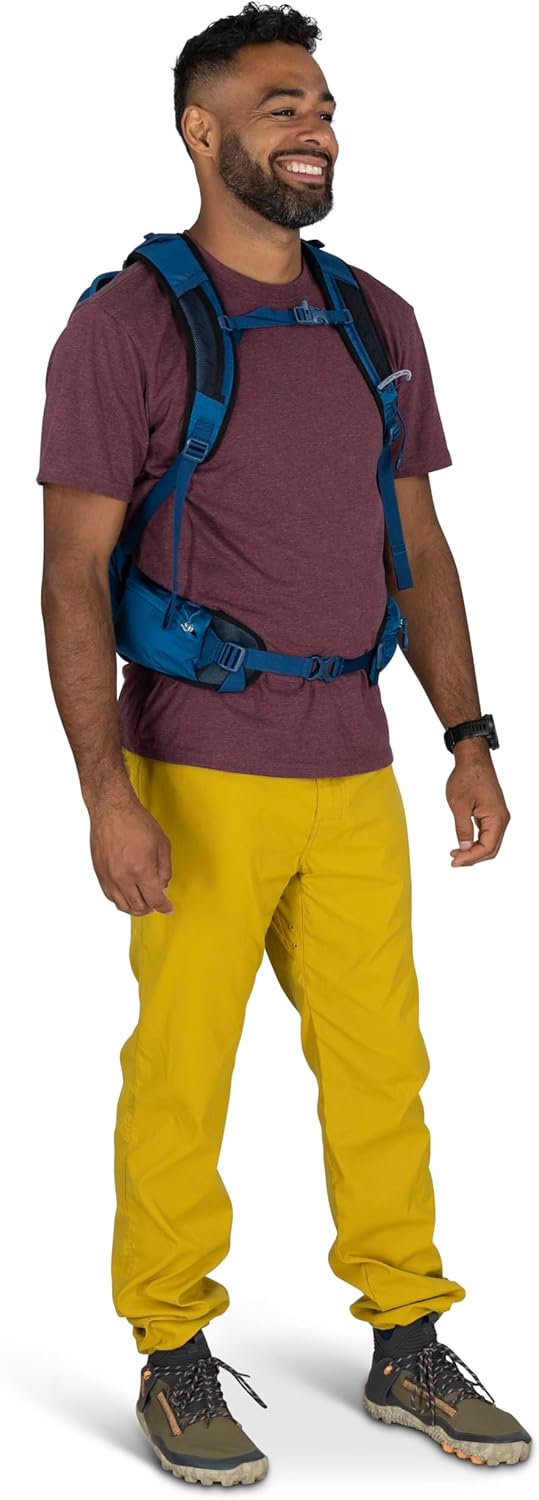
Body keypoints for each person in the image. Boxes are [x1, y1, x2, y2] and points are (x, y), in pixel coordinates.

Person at [37, 1, 531, 1483]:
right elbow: (71, 575)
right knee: (181, 1075)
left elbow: (417, 549)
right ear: (201, 133)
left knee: (384, 1071)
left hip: (355, 766)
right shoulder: (126, 326)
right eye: (277, 105)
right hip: (197, 767)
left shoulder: (377, 319)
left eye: (320, 104)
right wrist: (105, 794)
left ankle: (406, 1338)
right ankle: (172, 1351)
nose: (313, 127)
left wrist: (467, 733)